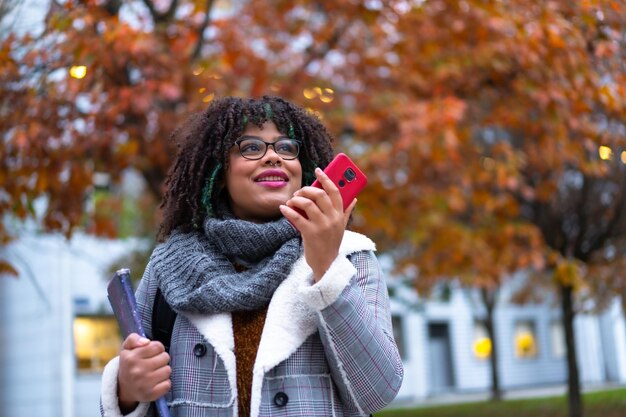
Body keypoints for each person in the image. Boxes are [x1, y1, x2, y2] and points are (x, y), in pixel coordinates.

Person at [100, 96, 404, 417]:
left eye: (286, 147)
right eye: (251, 147)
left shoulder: (350, 256)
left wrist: (326, 267)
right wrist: (127, 392)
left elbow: (378, 392)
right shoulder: (169, 265)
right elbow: (142, 391)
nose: (273, 157)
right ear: (218, 171)